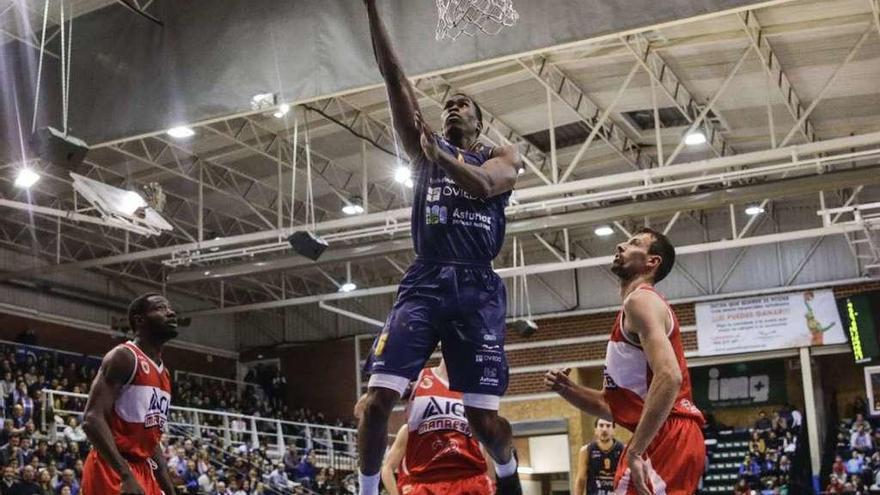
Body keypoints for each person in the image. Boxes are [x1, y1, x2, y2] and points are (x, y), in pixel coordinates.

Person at [356, 2, 523, 495]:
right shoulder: (424, 145)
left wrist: (443, 160)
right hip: (427, 280)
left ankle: (509, 477)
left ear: (478, 119)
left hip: (477, 287)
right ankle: (366, 490)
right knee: (374, 403)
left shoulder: (499, 156)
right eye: (446, 102)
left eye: (462, 103)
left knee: (483, 419)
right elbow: (394, 77)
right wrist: (374, 10)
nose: (452, 106)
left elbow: (485, 186)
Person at [545, 228, 705, 494]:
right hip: (668, 433)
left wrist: (636, 450)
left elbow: (670, 377)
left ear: (652, 262)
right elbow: (609, 405)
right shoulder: (633, 310)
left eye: (634, 243)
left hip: (669, 432)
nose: (621, 245)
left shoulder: (641, 300)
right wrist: (567, 388)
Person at [81, 293, 179, 495]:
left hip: (142, 468)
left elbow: (150, 438)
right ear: (139, 320)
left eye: (169, 308)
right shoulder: (124, 357)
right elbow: (92, 418)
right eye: (161, 308)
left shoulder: (165, 373)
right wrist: (125, 475)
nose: (171, 313)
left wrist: (168, 487)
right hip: (113, 466)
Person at [378, 360, 495, 495]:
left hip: (467, 479)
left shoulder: (475, 388)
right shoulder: (419, 377)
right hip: (424, 482)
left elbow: (488, 445)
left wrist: (491, 481)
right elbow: (387, 468)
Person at [575, 419, 624, 495]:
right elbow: (581, 480)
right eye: (601, 425)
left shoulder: (623, 450)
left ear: (614, 430)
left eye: (608, 426)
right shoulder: (586, 450)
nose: (604, 429)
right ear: (595, 430)